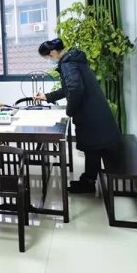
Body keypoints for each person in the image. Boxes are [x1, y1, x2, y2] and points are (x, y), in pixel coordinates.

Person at [34, 38, 121, 194]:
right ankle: (88, 180)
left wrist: (70, 111)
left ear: (52, 53)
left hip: (89, 113)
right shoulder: (73, 59)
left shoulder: (67, 64)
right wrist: (47, 96)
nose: (48, 60)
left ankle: (88, 183)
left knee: (91, 147)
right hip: (94, 110)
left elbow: (75, 89)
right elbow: (68, 88)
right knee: (92, 148)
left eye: (47, 57)